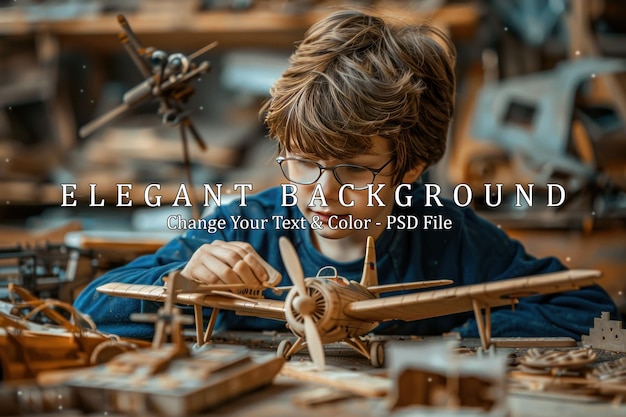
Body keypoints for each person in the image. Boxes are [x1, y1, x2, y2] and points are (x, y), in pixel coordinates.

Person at [74, 8, 619, 340]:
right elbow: (91, 307)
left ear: (410, 166)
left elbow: (591, 311)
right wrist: (182, 283)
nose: (321, 193)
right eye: (302, 162)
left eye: (354, 171)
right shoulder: (248, 226)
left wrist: (462, 334)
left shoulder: (450, 239)